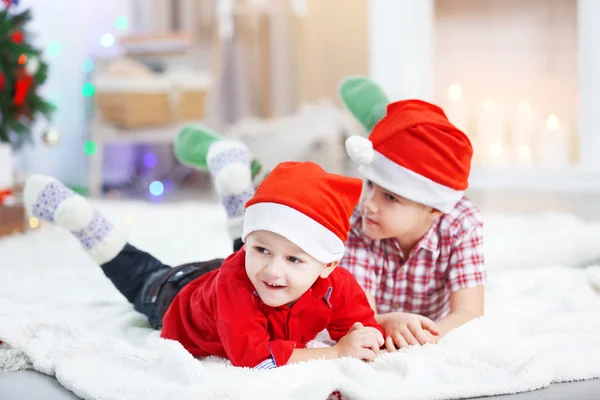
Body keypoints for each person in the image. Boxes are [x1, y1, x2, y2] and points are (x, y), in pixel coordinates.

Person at [174, 78, 485, 351]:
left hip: (408, 311)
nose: (369, 204)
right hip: (277, 264)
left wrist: (428, 335)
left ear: (433, 209)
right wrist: (390, 323)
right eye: (371, 186)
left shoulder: (462, 223)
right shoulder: (361, 225)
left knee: (276, 239)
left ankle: (384, 117)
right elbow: (362, 318)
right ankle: (242, 179)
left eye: (390, 197)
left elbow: (470, 312)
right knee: (259, 246)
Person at [23, 161, 384, 369]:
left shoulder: (337, 284)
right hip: (176, 295)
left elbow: (360, 329)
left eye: (294, 259)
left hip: (233, 277)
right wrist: (335, 353)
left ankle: (236, 195)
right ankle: (87, 224)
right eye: (260, 249)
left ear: (327, 265)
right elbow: (253, 359)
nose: (276, 269)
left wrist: (365, 336)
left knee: (256, 263)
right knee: (139, 274)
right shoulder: (241, 278)